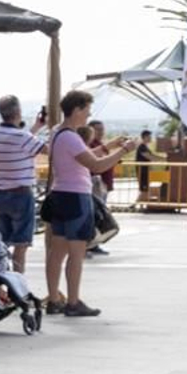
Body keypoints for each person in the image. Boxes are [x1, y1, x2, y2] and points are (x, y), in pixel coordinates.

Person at [43, 91, 129, 317]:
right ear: (78, 109)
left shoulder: (57, 133)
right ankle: (73, 302)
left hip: (59, 195)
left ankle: (53, 299)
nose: (89, 114)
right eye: (88, 109)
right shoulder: (71, 137)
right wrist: (123, 151)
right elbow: (97, 166)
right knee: (76, 252)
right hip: (76, 197)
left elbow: (79, 157)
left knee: (57, 252)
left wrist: (107, 146)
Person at [0, 95, 46, 273]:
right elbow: (47, 150)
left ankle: (1, 285)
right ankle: (18, 285)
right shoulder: (21, 136)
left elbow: (19, 141)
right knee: (21, 244)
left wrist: (37, 127)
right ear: (18, 111)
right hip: (21, 194)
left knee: (2, 243)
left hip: (2, 195)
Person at [87, 120, 119, 255]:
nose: (101, 132)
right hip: (94, 184)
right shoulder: (90, 146)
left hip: (102, 185)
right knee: (94, 216)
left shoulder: (100, 145)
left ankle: (95, 243)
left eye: (102, 129)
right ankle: (89, 244)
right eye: (97, 129)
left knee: (99, 216)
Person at [135, 129, 155, 201]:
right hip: (142, 171)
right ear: (145, 137)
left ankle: (140, 204)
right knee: (144, 190)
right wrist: (165, 159)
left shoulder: (145, 147)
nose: (150, 138)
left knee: (146, 190)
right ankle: (133, 205)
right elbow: (151, 157)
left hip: (146, 171)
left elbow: (152, 156)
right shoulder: (142, 147)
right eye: (149, 136)